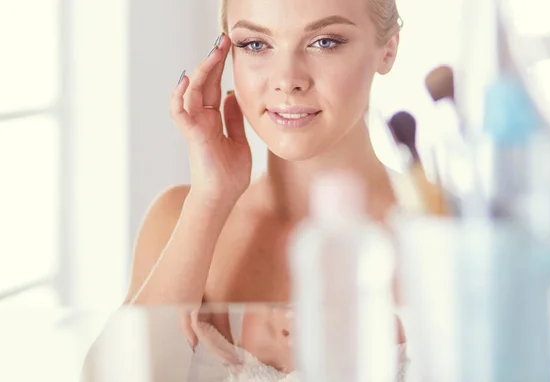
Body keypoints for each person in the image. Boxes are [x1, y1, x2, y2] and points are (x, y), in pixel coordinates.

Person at [123, 0, 407, 377]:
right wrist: (209, 200)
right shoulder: (178, 218)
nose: (287, 79)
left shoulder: (451, 233)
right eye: (256, 44)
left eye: (324, 42)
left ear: (387, 49)